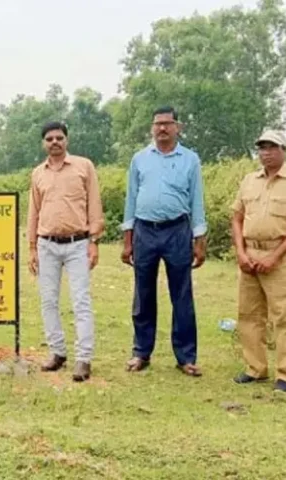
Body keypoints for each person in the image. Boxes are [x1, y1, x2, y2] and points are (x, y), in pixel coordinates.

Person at [120, 106, 207, 377]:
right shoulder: (140, 159)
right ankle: (141, 352)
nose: (162, 129)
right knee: (143, 293)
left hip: (177, 230)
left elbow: (196, 201)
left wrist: (199, 238)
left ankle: (186, 357)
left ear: (177, 127)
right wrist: (128, 239)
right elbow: (131, 200)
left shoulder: (190, 159)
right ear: (151, 128)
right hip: (145, 230)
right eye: (157, 124)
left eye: (168, 124)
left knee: (181, 293)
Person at [230, 130, 286, 393]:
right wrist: (241, 253)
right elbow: (237, 217)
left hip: (279, 256)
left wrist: (275, 256)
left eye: (272, 147)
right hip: (250, 255)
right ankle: (255, 369)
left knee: (285, 317)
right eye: (262, 147)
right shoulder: (249, 180)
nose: (266, 152)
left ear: (283, 150)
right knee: (249, 315)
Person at [27, 121, 105, 382]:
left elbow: (94, 205)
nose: (54, 142)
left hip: (77, 243)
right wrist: (31, 248)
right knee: (48, 300)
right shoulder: (38, 173)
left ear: (67, 141)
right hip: (46, 243)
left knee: (80, 300)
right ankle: (57, 352)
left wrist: (94, 241)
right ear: (43, 144)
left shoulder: (84, 167)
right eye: (49, 139)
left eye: (59, 138)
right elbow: (33, 211)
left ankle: (84, 358)